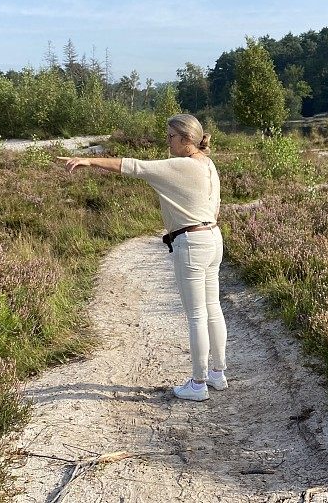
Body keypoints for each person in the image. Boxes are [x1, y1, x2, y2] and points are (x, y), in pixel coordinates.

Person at [57, 113, 226, 402]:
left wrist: (89, 160)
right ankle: (218, 374)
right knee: (212, 308)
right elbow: (216, 205)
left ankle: (198, 385)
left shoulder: (180, 166)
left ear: (186, 140)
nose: (167, 141)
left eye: (171, 136)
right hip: (212, 237)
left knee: (197, 314)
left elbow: (133, 166)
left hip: (192, 242)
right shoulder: (207, 164)